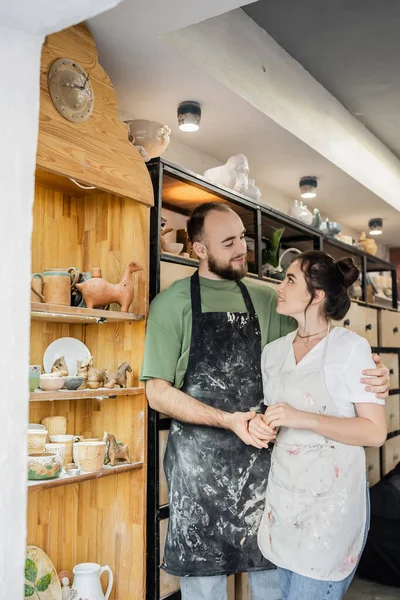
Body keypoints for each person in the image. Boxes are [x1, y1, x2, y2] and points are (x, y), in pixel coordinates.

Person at [141, 203, 389, 600]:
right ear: (200, 249)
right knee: (204, 591)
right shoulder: (171, 304)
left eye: (243, 237)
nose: (243, 249)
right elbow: (156, 391)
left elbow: (325, 334)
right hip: (199, 477)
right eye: (229, 242)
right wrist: (228, 420)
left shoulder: (265, 298)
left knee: (274, 587)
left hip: (266, 474)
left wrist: (375, 371)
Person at [252, 251, 387, 600]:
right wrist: (263, 427)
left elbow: (374, 431)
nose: (279, 286)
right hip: (285, 500)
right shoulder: (273, 353)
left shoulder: (351, 349)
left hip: (331, 507)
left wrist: (305, 418)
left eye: (290, 279)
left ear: (317, 296)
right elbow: (277, 419)